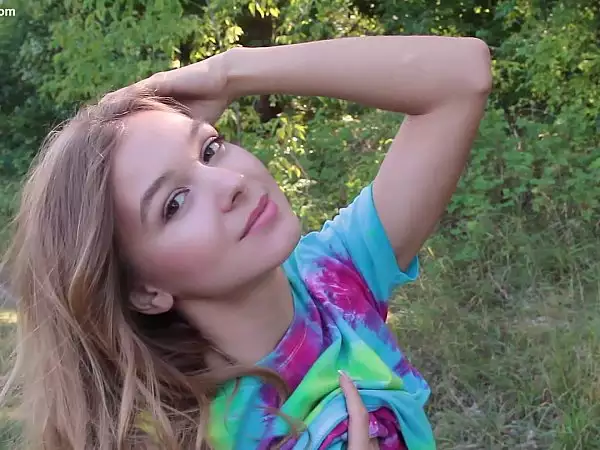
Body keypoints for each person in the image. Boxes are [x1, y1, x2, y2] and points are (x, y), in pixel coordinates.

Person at [1, 36, 492, 449]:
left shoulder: (336, 278)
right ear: (144, 291)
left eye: (210, 149)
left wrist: (230, 72)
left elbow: (461, 76)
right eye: (175, 203)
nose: (230, 182)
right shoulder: (176, 436)